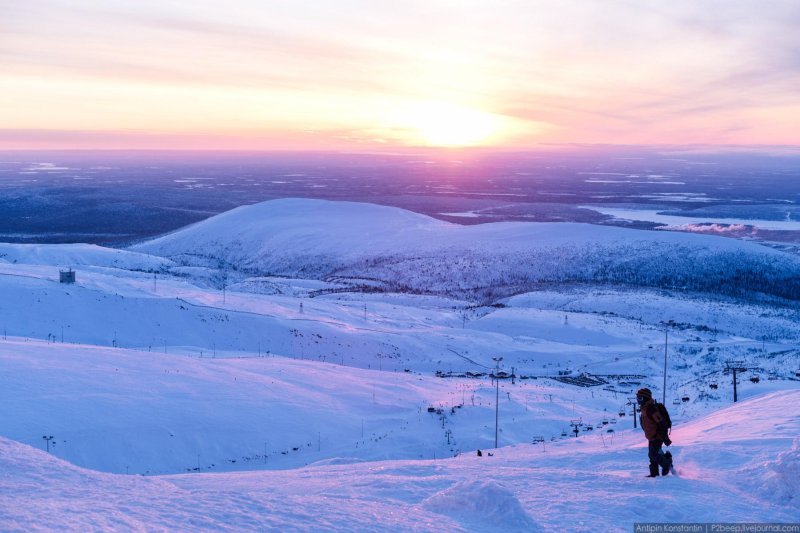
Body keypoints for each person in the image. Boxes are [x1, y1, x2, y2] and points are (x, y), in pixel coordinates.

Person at [636, 387, 673, 477]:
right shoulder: (644, 408)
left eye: (640, 398)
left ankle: (667, 464)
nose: (638, 401)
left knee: (653, 454)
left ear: (646, 398)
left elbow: (661, 423)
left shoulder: (651, 409)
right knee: (651, 455)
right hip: (651, 436)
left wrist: (665, 438)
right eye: (637, 398)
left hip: (658, 435)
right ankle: (654, 473)